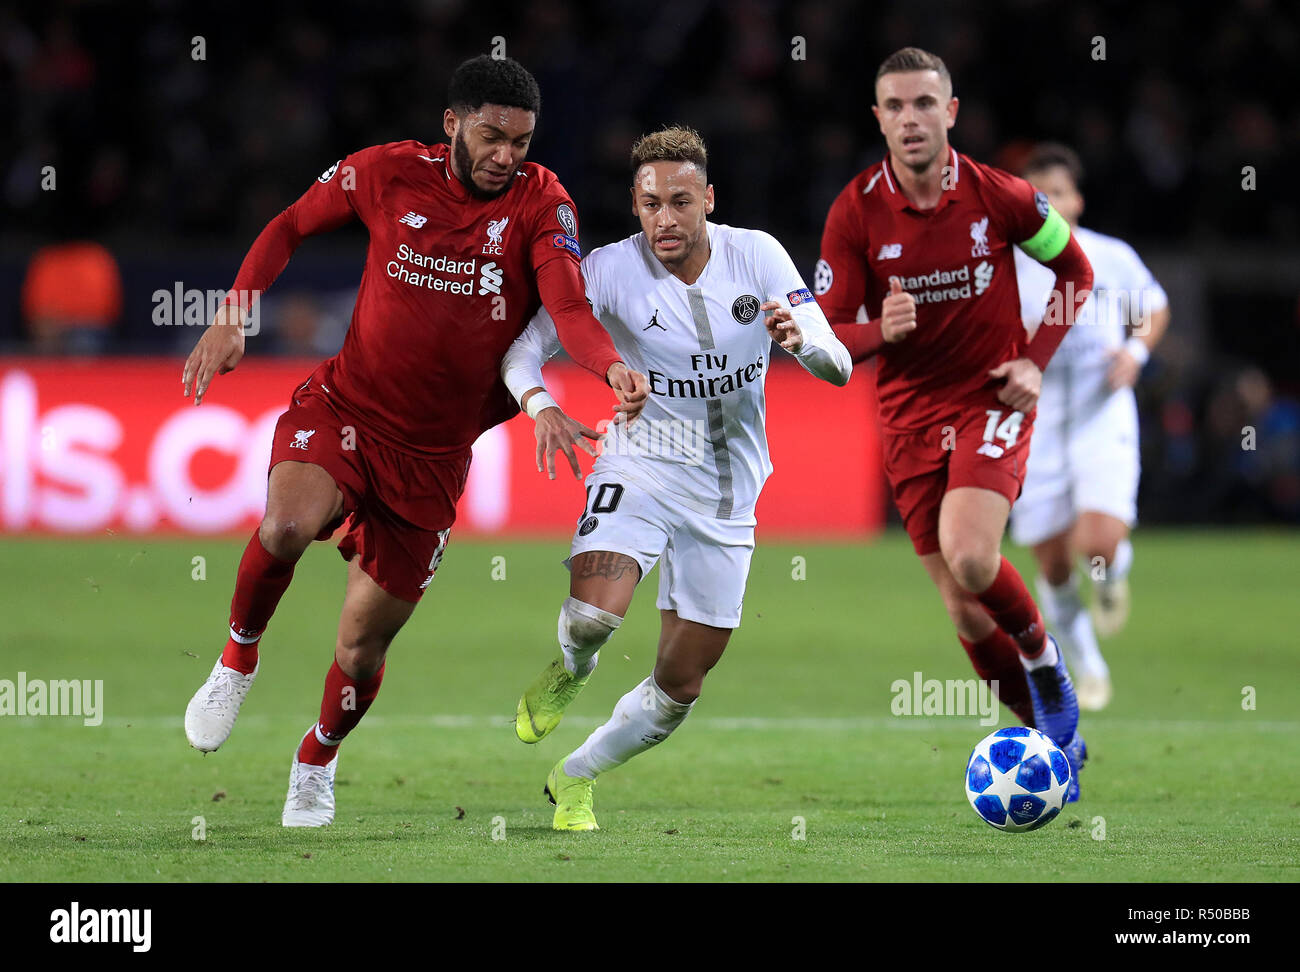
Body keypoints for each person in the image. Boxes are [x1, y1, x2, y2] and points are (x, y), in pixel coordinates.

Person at [179, 55, 648, 827]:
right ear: (452, 124)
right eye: (493, 137)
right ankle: (237, 658)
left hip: (431, 460)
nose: (507, 157)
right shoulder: (388, 175)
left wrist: (610, 367)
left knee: (361, 650)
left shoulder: (543, 203)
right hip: (347, 408)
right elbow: (292, 223)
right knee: (286, 525)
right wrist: (235, 312)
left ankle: (316, 760)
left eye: (521, 143)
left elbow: (567, 305)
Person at [500, 126, 851, 830]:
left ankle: (576, 775)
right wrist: (542, 408)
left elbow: (838, 364)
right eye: (651, 202)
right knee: (595, 615)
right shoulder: (603, 270)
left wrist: (801, 341)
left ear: (708, 200)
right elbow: (520, 355)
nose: (666, 217)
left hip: (728, 493)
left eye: (681, 201)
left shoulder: (757, 254)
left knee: (679, 686)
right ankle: (573, 666)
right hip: (642, 460)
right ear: (635, 204)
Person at [815, 48, 1094, 799]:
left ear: (951, 112)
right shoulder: (856, 212)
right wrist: (881, 332)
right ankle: (1050, 749)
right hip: (908, 422)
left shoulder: (999, 197)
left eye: (924, 104)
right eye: (896, 107)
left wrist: (1035, 360)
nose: (911, 119)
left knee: (972, 559)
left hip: (989, 402)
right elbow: (827, 336)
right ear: (878, 118)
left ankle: (1047, 667)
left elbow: (1076, 273)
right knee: (966, 611)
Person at [1010, 143, 1171, 709]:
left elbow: (1154, 307)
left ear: (1075, 199)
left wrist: (1136, 353)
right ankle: (1088, 664)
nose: (1048, 204)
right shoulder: (1009, 267)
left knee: (1097, 544)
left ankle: (1109, 577)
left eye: (1057, 192)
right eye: (1037, 195)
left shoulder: (1109, 256)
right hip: (1036, 422)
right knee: (1052, 562)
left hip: (1103, 414)